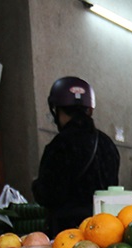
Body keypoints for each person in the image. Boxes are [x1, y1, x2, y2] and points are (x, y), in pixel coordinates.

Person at [32, 76, 120, 235]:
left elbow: (47, 194)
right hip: (105, 231)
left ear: (56, 109)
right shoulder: (108, 144)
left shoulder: (59, 145)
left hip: (67, 234)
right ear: (90, 109)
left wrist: (36, 186)